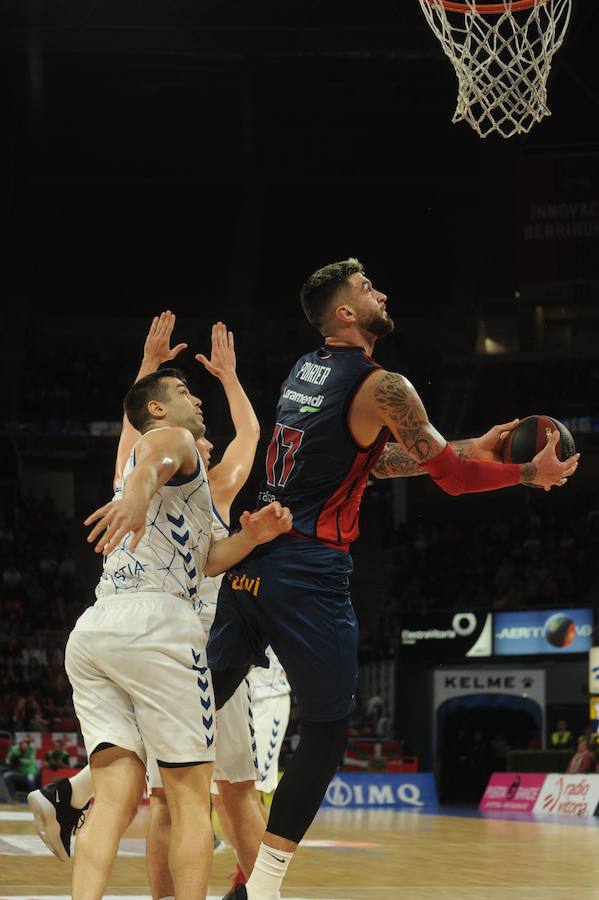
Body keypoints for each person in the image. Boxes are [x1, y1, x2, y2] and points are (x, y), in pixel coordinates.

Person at [208, 257, 579, 900]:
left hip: (254, 560)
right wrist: (524, 473)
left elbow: (374, 465)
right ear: (346, 312)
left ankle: (78, 793)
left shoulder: (306, 370)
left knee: (197, 701)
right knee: (326, 734)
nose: (381, 292)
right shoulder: (386, 386)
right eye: (366, 288)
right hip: (309, 571)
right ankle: (260, 891)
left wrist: (474, 445)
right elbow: (451, 481)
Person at [28, 314, 274, 899]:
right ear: (162, 413)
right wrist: (139, 493)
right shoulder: (173, 447)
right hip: (170, 633)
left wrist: (252, 537)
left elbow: (206, 551)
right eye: (186, 392)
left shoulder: (187, 481)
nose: (199, 412)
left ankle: (71, 800)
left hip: (97, 628)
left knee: (123, 794)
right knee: (194, 796)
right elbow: (155, 454)